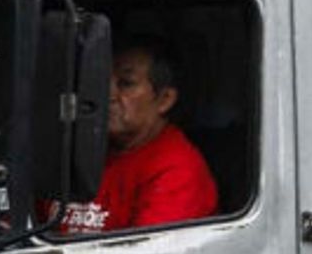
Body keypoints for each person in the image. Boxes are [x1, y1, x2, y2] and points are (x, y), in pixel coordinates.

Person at [60, 36, 218, 233]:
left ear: (164, 100)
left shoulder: (177, 171)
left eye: (125, 83)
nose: (108, 95)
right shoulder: (82, 150)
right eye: (101, 80)